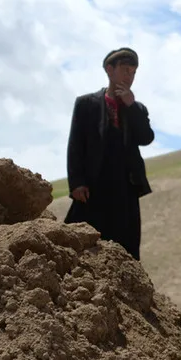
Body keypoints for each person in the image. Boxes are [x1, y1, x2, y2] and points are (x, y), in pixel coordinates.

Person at [64, 47, 154, 260]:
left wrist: (131, 107)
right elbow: (75, 144)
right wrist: (76, 182)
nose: (129, 77)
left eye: (133, 72)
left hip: (126, 189)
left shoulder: (137, 108)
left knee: (126, 250)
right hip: (93, 188)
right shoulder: (86, 104)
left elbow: (146, 138)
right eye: (125, 70)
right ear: (109, 70)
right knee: (81, 244)